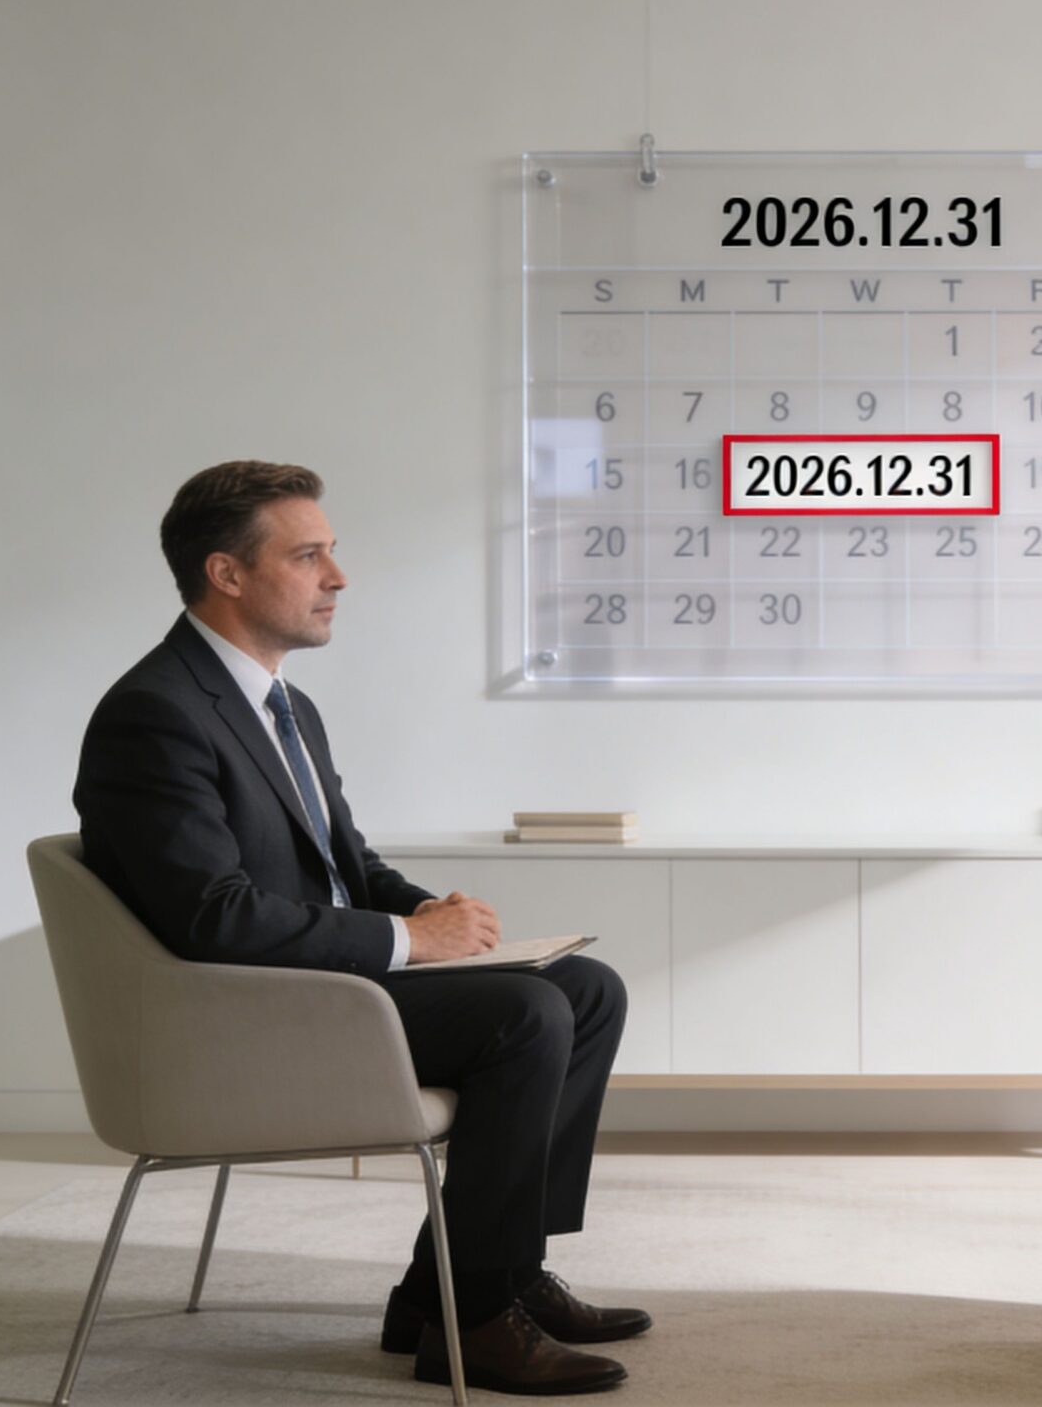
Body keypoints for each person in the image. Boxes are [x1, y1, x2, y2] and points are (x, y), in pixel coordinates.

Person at [73, 461, 644, 1396]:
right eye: (309, 556)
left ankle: (465, 1287)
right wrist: (413, 944)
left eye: (331, 553)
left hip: (321, 986)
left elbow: (346, 869)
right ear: (227, 574)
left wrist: (436, 916)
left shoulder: (287, 706)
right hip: (246, 1014)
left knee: (584, 990)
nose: (339, 576)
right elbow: (210, 917)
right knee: (525, 1018)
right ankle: (472, 1319)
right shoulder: (156, 714)